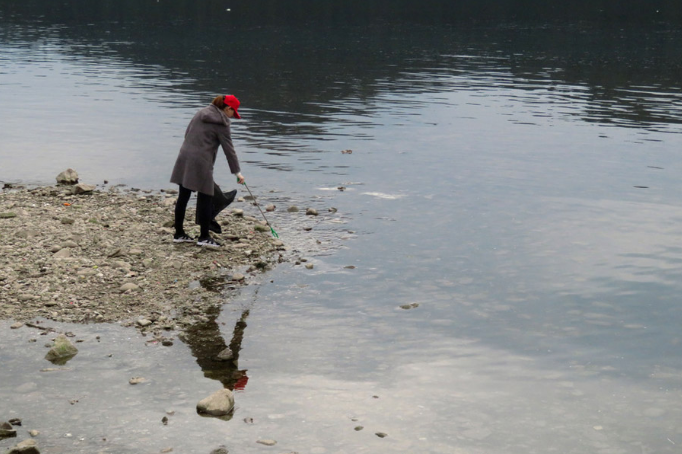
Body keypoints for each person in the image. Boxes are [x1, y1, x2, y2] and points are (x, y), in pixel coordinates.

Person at [170, 95, 245, 248]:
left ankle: (178, 234)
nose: (233, 116)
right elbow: (229, 150)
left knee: (183, 196)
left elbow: (187, 132)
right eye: (233, 112)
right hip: (201, 161)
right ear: (228, 108)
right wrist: (237, 173)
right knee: (206, 196)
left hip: (185, 155)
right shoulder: (222, 123)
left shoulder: (201, 112)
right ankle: (204, 237)